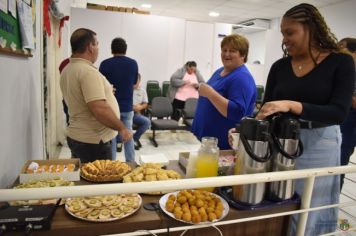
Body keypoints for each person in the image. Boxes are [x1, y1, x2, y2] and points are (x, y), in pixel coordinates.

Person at [255, 4, 355, 235]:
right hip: (280, 139)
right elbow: (268, 105)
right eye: (282, 33)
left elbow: (338, 112)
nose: (285, 39)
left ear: (311, 29)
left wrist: (292, 105)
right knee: (279, 200)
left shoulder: (340, 62)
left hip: (320, 143)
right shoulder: (280, 66)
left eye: (290, 32)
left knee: (309, 207)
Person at [60, 28, 132, 163]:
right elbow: (99, 109)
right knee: (99, 180)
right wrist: (122, 128)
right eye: (97, 44)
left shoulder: (67, 69)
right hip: (92, 142)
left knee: (84, 178)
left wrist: (106, 92)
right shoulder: (88, 72)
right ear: (90, 47)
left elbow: (80, 98)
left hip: (78, 136)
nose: (98, 48)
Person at [191, 34, 256, 150]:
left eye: (232, 51)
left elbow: (237, 112)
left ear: (243, 54)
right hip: (206, 140)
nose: (226, 54)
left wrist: (210, 93)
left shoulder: (242, 77)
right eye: (224, 50)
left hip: (222, 144)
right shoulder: (220, 71)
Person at [99, 37, 138, 162]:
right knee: (128, 136)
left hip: (110, 108)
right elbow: (135, 83)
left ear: (112, 49)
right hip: (127, 107)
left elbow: (100, 86)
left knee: (112, 138)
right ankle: (130, 163)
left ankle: (112, 164)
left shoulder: (104, 64)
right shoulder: (133, 63)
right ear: (125, 49)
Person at [339, 37, 356, 190]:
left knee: (337, 174)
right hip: (332, 131)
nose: (338, 49)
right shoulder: (343, 72)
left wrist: (342, 93)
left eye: (342, 46)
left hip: (347, 136)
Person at [132, 73, 151, 150]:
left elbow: (146, 103)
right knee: (122, 122)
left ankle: (135, 138)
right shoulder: (126, 89)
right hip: (125, 112)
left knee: (147, 122)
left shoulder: (142, 91)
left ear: (140, 81)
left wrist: (140, 107)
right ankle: (119, 141)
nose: (135, 83)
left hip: (136, 113)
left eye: (137, 81)